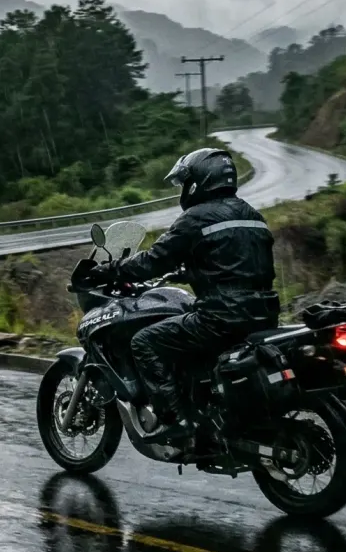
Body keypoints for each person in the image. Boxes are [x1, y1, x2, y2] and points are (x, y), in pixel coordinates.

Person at [108, 147, 279, 439]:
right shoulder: (253, 214)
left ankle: (174, 422)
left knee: (144, 341)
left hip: (221, 317)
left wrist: (115, 269)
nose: (183, 190)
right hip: (263, 313)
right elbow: (237, 264)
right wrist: (193, 272)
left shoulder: (196, 218)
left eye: (185, 182)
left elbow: (153, 261)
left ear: (199, 180)